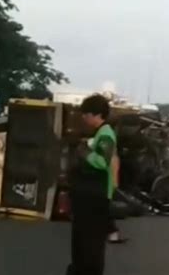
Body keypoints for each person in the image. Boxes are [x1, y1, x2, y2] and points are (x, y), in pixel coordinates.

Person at [67, 94, 117, 275]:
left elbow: (102, 161)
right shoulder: (99, 134)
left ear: (97, 114)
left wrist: (84, 152)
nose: (83, 117)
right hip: (89, 196)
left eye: (86, 114)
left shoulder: (106, 134)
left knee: (91, 244)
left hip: (96, 198)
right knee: (82, 242)